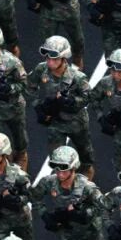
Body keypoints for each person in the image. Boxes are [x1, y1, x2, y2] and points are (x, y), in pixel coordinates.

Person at [31, 146, 107, 240]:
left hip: (90, 230)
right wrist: (44, 215)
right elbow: (34, 197)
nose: (60, 173)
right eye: (56, 167)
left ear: (73, 167)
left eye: (64, 168)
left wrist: (86, 213)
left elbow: (104, 206)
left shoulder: (87, 187)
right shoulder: (49, 182)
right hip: (67, 231)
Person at [26, 36, 93, 175]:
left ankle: (86, 172)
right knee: (56, 158)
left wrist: (72, 101)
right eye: (47, 57)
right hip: (55, 121)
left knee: (85, 153)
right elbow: (29, 86)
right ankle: (62, 177)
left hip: (76, 122)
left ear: (64, 57)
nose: (50, 62)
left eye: (55, 58)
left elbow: (88, 97)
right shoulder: (41, 69)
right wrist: (38, 106)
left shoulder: (77, 77)